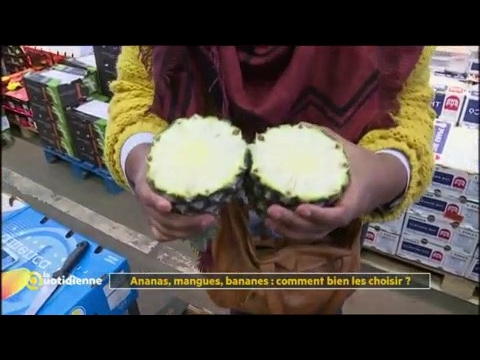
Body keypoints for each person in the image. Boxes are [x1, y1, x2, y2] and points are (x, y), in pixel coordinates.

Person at [105, 46, 436, 314]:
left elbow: (409, 107)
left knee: (322, 304)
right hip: (231, 231)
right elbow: (137, 90)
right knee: (244, 303)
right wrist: (140, 161)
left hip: (329, 234)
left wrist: (387, 170)